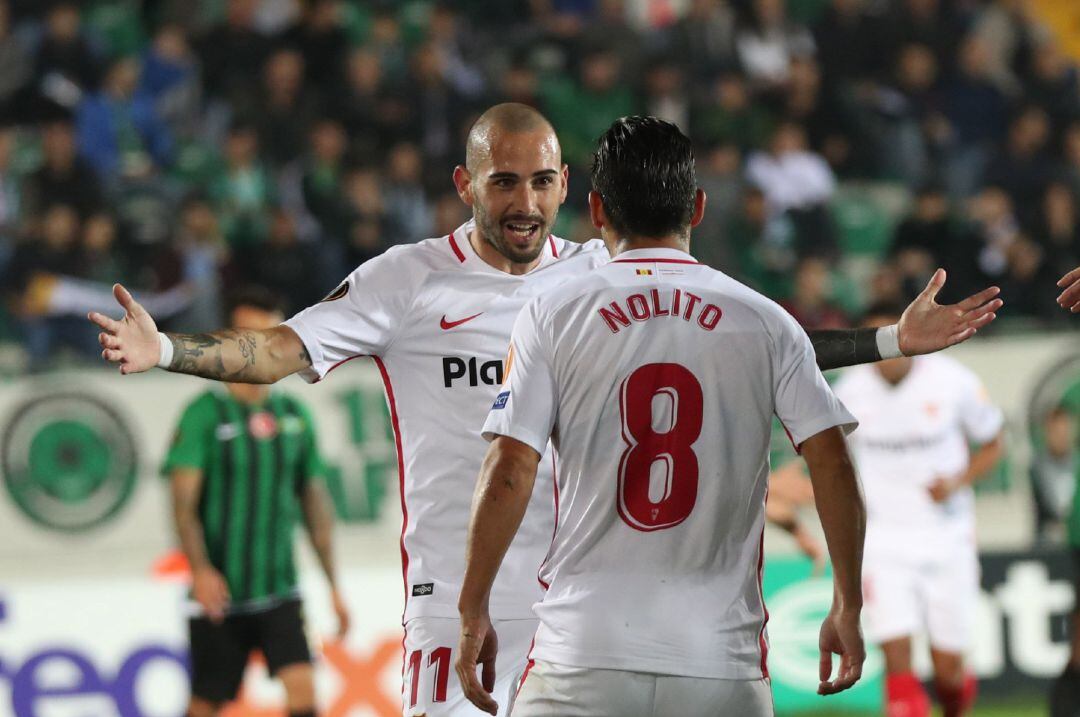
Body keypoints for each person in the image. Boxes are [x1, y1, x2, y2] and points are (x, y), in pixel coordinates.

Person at [89, 103, 1000, 717]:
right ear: (464, 183)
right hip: (456, 598)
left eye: (542, 182)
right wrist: (167, 350)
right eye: (503, 183)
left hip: (581, 606)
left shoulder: (601, 278)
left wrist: (887, 340)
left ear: (571, 187)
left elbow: (759, 340)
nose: (524, 203)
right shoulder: (405, 281)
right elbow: (276, 351)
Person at [455, 116, 865, 717]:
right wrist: (847, 603)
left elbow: (511, 467)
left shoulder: (553, 313)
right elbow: (831, 460)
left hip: (583, 652)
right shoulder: (765, 319)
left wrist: (472, 612)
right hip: (719, 663)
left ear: (595, 210)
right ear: (697, 208)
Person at [162, 287, 349, 717]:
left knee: (303, 696)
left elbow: (315, 508)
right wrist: (201, 570)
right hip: (220, 594)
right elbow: (183, 508)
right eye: (250, 334)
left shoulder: (294, 416)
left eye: (269, 334)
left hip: (279, 590)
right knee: (206, 703)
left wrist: (334, 587)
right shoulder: (204, 414)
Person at [834, 302, 1005, 717]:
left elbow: (994, 443)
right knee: (898, 668)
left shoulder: (953, 382)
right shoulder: (847, 392)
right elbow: (831, 464)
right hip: (882, 543)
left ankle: (954, 698)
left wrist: (957, 482)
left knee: (948, 674)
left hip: (947, 538)